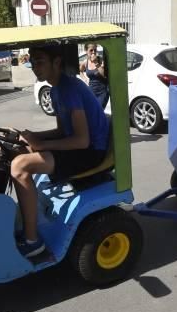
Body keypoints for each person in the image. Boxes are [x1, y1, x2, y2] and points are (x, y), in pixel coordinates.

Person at [11, 46, 110, 257]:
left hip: (91, 152)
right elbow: (61, 130)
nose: (35, 68)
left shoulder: (69, 88)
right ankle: (27, 218)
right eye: (33, 63)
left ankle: (32, 240)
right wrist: (33, 136)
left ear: (56, 62)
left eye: (40, 62)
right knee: (18, 151)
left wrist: (41, 145)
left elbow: (82, 141)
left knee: (20, 166)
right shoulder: (56, 89)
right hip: (80, 147)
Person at [80, 43, 109, 108]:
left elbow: (104, 75)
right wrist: (85, 79)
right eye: (91, 50)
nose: (93, 52)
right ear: (86, 51)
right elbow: (80, 71)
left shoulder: (100, 60)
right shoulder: (85, 62)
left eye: (95, 50)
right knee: (92, 111)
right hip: (92, 90)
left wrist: (96, 62)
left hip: (102, 91)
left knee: (99, 110)